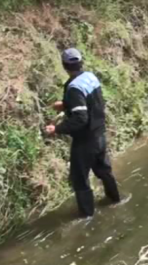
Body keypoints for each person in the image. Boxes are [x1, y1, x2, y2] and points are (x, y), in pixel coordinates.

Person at [45, 48, 124, 218]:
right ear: (81, 62)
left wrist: (56, 129)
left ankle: (87, 217)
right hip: (100, 134)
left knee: (79, 179)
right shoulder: (90, 77)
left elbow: (81, 118)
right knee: (104, 171)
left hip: (86, 141)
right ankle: (116, 200)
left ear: (64, 65)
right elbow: (93, 102)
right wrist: (66, 104)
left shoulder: (73, 88)